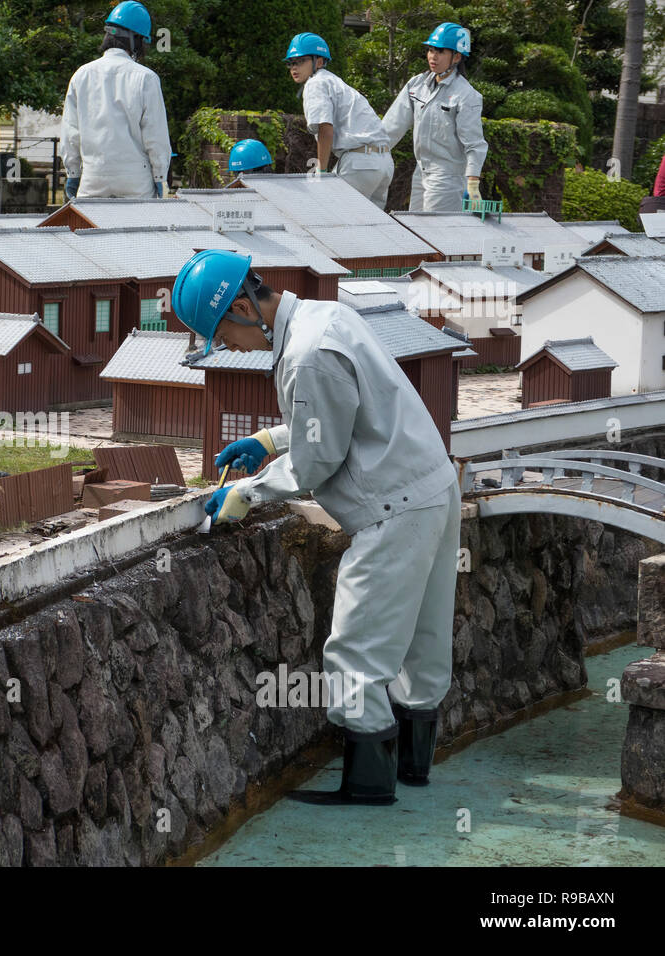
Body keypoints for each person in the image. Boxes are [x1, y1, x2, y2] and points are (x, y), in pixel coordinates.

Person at [173, 248, 461, 805]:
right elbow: (339, 413)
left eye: (224, 334)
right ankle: (415, 770)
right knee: (423, 647)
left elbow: (318, 458)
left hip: (393, 508)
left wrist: (247, 493)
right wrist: (269, 439)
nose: (230, 347)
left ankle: (368, 787)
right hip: (433, 487)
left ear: (241, 305)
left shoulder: (305, 354)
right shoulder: (327, 316)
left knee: (355, 656)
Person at [60, 1, 171, 200]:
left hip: (93, 178)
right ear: (137, 40)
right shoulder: (146, 78)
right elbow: (156, 136)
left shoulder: (81, 75)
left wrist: (73, 173)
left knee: (92, 230)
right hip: (136, 181)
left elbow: (70, 133)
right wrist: (160, 177)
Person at [383, 22, 487, 212]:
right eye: (431, 50)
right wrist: (372, 151)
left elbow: (474, 144)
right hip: (420, 172)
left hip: (447, 178)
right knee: (415, 230)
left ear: (456, 57)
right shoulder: (417, 84)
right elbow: (392, 126)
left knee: (437, 237)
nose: (433, 56)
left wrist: (472, 183)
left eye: (440, 51)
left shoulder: (466, 95)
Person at [286, 32, 394, 208]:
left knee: (334, 219)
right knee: (371, 229)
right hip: (385, 163)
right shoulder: (336, 82)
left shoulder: (316, 83)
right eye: (290, 62)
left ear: (318, 62)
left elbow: (325, 129)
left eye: (300, 60)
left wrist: (320, 171)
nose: (294, 67)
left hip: (360, 164)